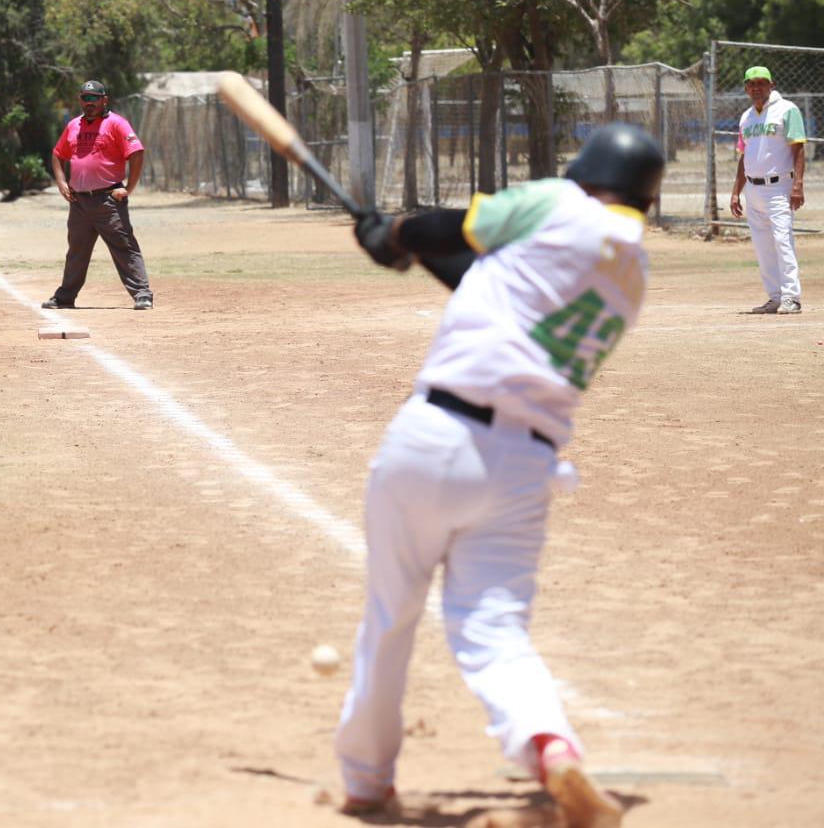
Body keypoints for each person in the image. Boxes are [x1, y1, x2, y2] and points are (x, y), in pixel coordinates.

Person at [335, 123, 666, 828]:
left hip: (434, 438)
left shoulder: (557, 203)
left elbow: (461, 225)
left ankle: (366, 781)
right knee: (495, 626)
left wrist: (394, 234)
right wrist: (407, 250)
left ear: (588, 172)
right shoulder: (631, 270)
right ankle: (551, 747)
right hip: (525, 467)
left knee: (391, 615)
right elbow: (491, 280)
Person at [41, 79, 154, 311]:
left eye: (94, 98)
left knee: (124, 246)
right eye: (84, 98)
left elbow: (137, 153)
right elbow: (57, 153)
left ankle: (142, 294)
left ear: (104, 100)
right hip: (79, 201)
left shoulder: (116, 124)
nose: (89, 102)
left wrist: (128, 188)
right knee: (77, 251)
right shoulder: (74, 125)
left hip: (108, 200)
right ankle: (65, 297)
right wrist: (62, 183)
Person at [729, 66, 806, 314]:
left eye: (762, 83)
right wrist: (735, 192)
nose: (756, 87)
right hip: (753, 188)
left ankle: (791, 297)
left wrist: (798, 185)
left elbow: (798, 148)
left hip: (779, 186)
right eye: (751, 84)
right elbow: (744, 156)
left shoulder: (787, 109)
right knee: (763, 246)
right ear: (746, 88)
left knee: (783, 241)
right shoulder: (746, 117)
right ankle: (775, 297)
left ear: (772, 84)